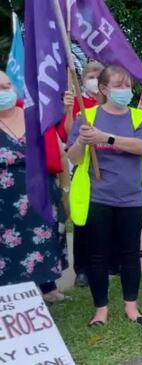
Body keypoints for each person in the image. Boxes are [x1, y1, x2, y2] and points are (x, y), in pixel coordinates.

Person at [67, 65, 142, 327]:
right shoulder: (87, 117)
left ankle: (132, 308)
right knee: (97, 256)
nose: (125, 90)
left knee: (130, 254)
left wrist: (105, 138)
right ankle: (100, 310)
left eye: (127, 85)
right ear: (104, 89)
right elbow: (73, 157)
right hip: (98, 198)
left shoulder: (139, 118)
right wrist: (83, 141)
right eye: (119, 85)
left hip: (131, 199)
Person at [0, 71, 68, 304]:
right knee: (8, 249)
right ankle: (11, 299)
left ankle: (48, 288)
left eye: (8, 85)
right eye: (0, 88)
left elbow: (58, 151)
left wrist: (65, 189)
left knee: (44, 242)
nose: (6, 91)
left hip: (42, 195)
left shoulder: (34, 115)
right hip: (5, 203)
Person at [61, 61, 104, 288]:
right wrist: (68, 110)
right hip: (83, 169)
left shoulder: (110, 103)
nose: (95, 79)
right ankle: (83, 270)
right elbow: (68, 133)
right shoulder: (78, 103)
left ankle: (108, 263)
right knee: (83, 219)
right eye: (91, 75)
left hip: (108, 170)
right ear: (83, 79)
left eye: (99, 75)